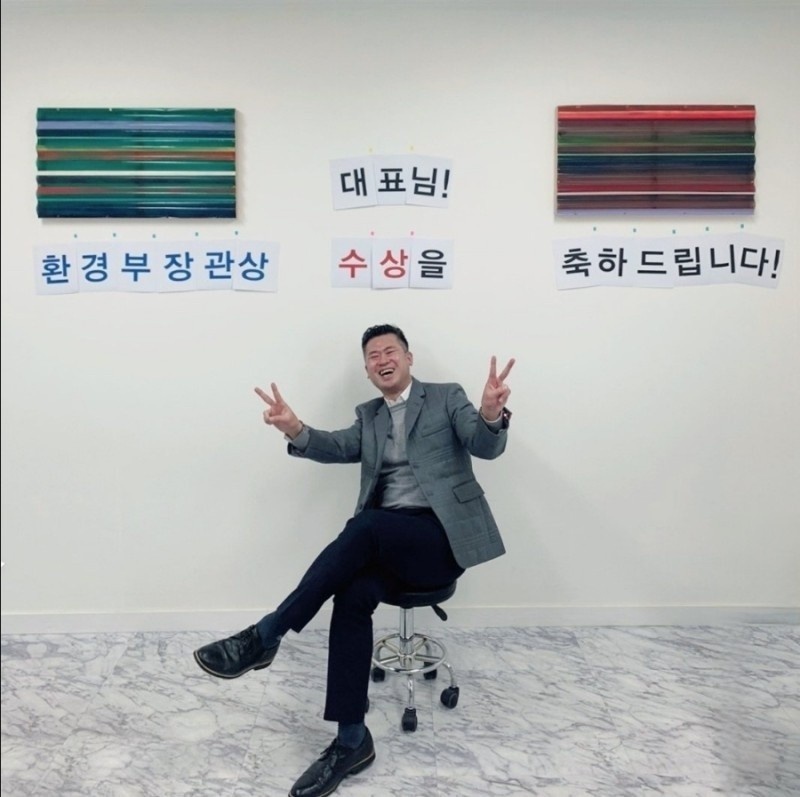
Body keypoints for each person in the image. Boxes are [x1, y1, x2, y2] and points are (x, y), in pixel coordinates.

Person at [194, 323, 514, 797]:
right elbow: (337, 446)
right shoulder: (370, 416)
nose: (382, 360)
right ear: (367, 371)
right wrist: (295, 428)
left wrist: (490, 414)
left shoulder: (446, 397)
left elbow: (484, 445)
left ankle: (267, 634)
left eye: (390, 351)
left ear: (408, 358)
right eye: (372, 356)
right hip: (387, 544)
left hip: (440, 541)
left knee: (366, 525)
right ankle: (351, 741)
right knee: (350, 596)